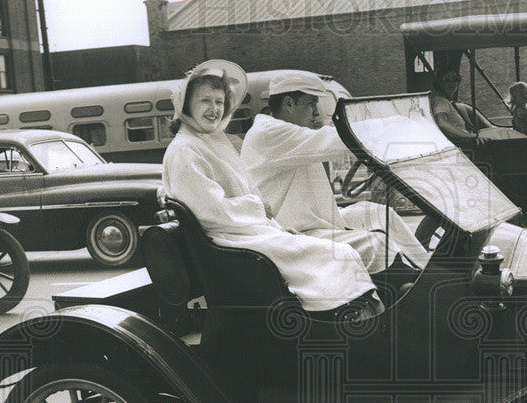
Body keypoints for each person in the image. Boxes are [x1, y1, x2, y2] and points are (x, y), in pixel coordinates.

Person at [161, 60, 381, 315]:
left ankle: (352, 314)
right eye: (205, 101)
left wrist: (274, 225)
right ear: (186, 104)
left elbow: (243, 199)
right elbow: (212, 212)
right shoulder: (185, 150)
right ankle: (348, 318)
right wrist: (260, 211)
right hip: (228, 242)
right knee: (335, 254)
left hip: (242, 233)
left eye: (219, 102)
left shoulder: (208, 142)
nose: (214, 109)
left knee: (337, 253)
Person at [241, 70, 429, 276]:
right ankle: (408, 284)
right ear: (288, 103)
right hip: (290, 230)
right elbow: (334, 139)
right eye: (311, 104)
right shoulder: (270, 133)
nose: (316, 112)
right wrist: (393, 125)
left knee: (379, 214)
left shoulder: (286, 132)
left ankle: (426, 270)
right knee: (375, 244)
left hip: (312, 219)